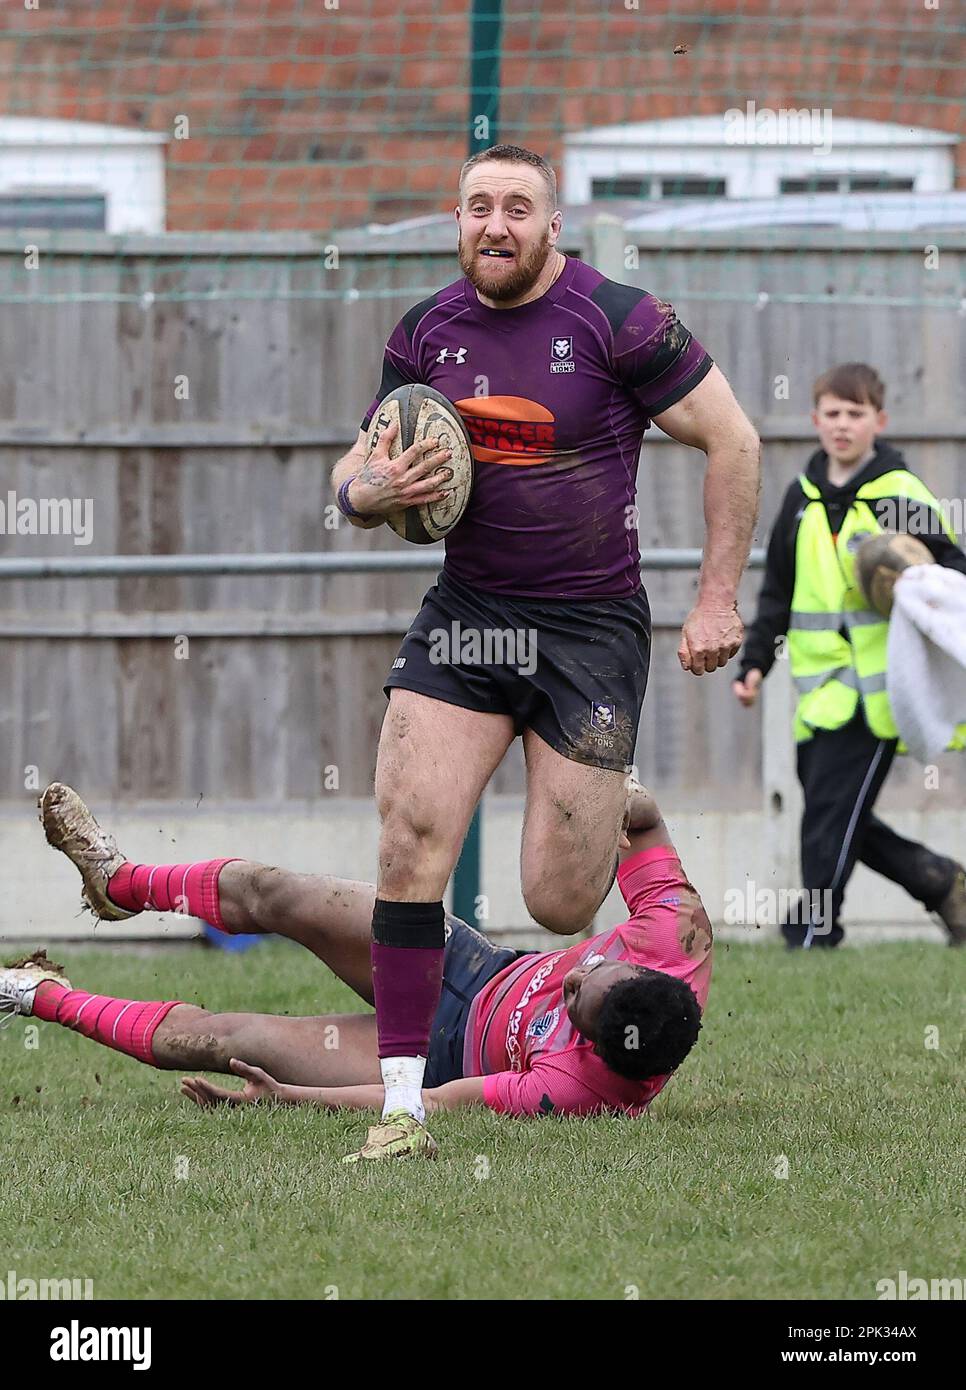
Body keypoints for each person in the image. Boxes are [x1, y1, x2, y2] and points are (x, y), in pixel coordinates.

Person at [329, 142, 759, 1156]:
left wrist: (716, 600)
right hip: (470, 614)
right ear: (459, 218)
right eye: (479, 206)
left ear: (551, 223)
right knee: (407, 840)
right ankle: (401, 1105)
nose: (496, 225)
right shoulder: (426, 329)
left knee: (559, 897)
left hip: (589, 628)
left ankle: (614, 800)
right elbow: (361, 459)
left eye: (517, 207)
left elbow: (733, 439)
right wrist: (364, 493)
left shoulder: (618, 319)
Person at [0, 781, 711, 1156]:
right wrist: (604, 797)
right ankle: (119, 881)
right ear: (643, 970)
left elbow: (433, 1105)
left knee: (223, 1041)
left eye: (576, 1003)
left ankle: (37, 995)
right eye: (593, 972)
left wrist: (287, 1099)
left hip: (435, 1056)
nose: (574, 978)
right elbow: (643, 821)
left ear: (591, 1046)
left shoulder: (582, 1090)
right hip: (468, 963)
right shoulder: (673, 938)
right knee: (278, 891)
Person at [733, 362, 966, 949]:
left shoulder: (898, 495)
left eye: (855, 414)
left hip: (881, 694)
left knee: (830, 817)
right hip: (819, 696)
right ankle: (939, 881)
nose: (842, 425)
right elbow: (778, 592)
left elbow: (952, 576)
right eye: (832, 413)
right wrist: (755, 663)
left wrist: (913, 572)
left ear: (878, 421)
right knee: (836, 815)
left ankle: (813, 929)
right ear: (815, 421)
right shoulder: (801, 499)